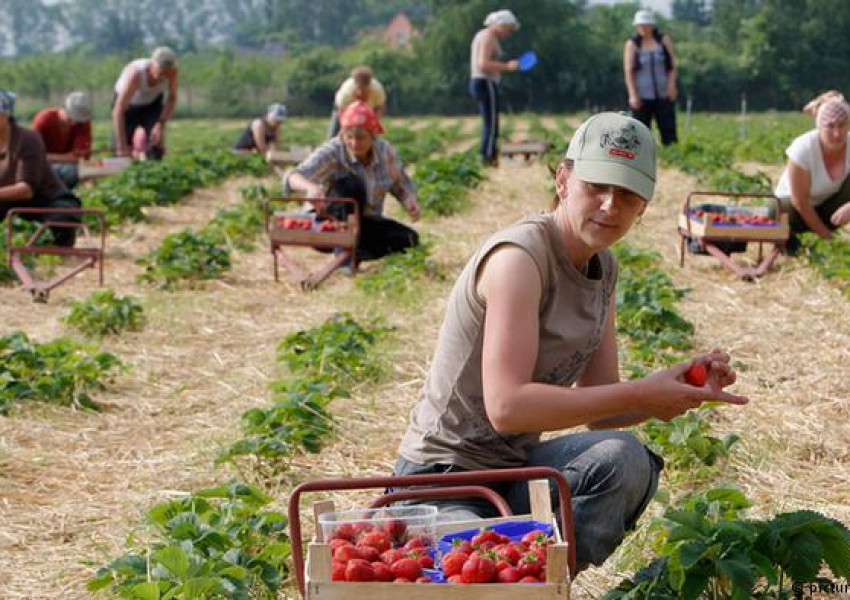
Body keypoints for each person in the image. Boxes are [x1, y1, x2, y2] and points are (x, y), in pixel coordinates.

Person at [395, 112, 748, 570]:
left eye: (626, 193)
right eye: (596, 186)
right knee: (481, 569)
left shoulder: (603, 268)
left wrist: (677, 389)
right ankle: (520, 576)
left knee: (625, 459)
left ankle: (542, 578)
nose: (608, 205)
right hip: (441, 480)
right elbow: (508, 407)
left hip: (513, 470)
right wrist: (644, 393)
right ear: (563, 179)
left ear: (644, 204)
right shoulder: (519, 259)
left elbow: (606, 406)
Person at [285, 101, 421, 290]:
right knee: (351, 184)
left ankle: (353, 253)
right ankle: (343, 257)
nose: (354, 143)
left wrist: (409, 200)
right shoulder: (334, 150)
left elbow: (400, 183)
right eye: (349, 137)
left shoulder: (385, 152)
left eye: (361, 138)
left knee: (409, 238)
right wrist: (310, 188)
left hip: (364, 223)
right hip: (329, 226)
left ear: (373, 136)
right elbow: (292, 176)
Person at [0, 91, 83, 247]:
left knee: (61, 219)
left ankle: (53, 247)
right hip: (9, 204)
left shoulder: (27, 139)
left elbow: (26, 190)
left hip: (45, 202)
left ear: (5, 116)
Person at [774, 97, 850, 251]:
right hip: (796, 210)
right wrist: (828, 239)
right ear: (819, 127)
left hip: (829, 206)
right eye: (830, 126)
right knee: (774, 210)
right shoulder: (803, 148)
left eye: (842, 126)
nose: (836, 133)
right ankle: (794, 246)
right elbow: (800, 201)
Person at [469, 9, 520, 167]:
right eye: (509, 29)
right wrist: (508, 66)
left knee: (488, 122)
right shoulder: (488, 37)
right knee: (491, 124)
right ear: (501, 25)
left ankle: (486, 155)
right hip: (485, 82)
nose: (509, 33)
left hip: (479, 82)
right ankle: (488, 157)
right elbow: (483, 64)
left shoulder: (482, 35)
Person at [112, 46, 179, 161]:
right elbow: (119, 109)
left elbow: (172, 98)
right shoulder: (136, 73)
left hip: (152, 104)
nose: (163, 78)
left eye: (167, 74)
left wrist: (160, 124)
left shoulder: (172, 72)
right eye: (161, 72)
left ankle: (154, 169)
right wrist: (121, 145)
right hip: (128, 107)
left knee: (156, 144)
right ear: (152, 65)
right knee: (121, 152)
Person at [624, 9, 678, 146]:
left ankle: (671, 153)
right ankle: (641, 160)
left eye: (646, 24)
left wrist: (671, 86)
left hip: (663, 94)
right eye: (640, 25)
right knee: (640, 132)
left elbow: (672, 65)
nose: (643, 27)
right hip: (641, 96)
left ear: (652, 25)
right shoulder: (632, 44)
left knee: (668, 128)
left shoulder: (663, 40)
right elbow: (629, 70)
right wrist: (633, 95)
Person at [31, 91, 92, 190]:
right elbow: (34, 155)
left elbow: (80, 157)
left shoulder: (83, 123)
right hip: (44, 167)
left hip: (70, 167)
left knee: (73, 171)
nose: (73, 123)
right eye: (71, 118)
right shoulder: (44, 119)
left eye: (77, 120)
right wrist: (67, 157)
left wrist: (49, 156)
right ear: (63, 109)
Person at [327, 66, 387, 139]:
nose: (361, 93)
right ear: (355, 85)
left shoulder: (377, 89)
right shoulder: (346, 92)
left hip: (368, 111)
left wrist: (374, 122)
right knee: (334, 136)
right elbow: (341, 110)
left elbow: (380, 106)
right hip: (346, 111)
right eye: (360, 89)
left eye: (365, 90)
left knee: (374, 136)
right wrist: (345, 128)